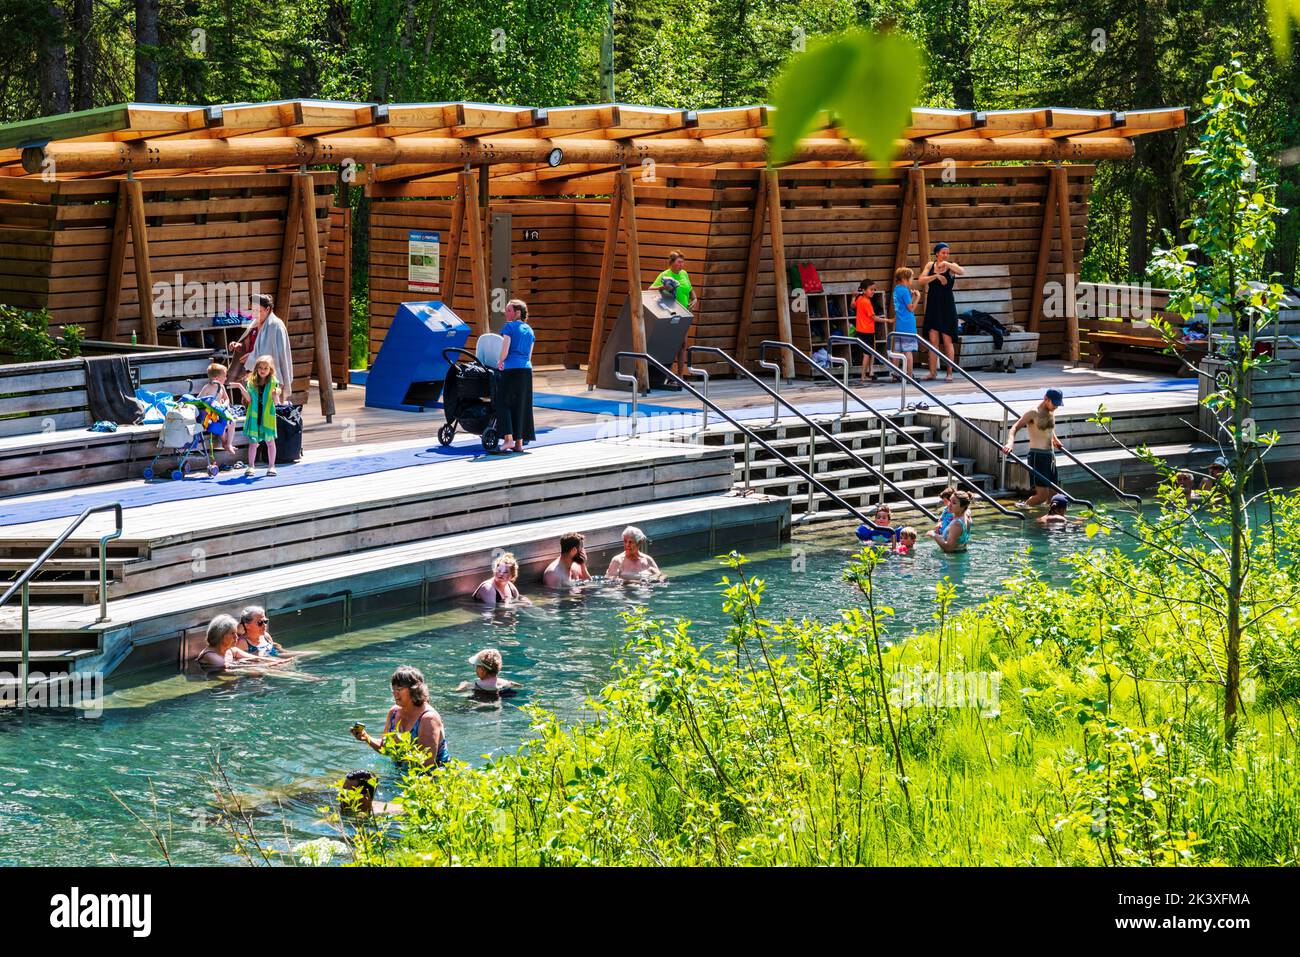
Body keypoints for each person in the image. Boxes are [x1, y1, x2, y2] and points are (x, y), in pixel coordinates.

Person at [350, 666, 449, 768]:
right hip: (400, 773)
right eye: (393, 688)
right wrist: (366, 737)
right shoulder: (394, 712)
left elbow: (426, 764)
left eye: (399, 689)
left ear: (414, 690)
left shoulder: (428, 718)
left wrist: (401, 746)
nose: (394, 692)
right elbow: (385, 748)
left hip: (429, 779)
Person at [1003, 388, 1066, 507]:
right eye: (1055, 404)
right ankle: (1024, 508)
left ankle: (1046, 519)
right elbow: (1015, 427)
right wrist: (1010, 443)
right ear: (1046, 399)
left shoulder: (1051, 411)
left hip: (1050, 456)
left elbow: (1049, 428)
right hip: (1038, 456)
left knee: (1053, 495)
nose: (1056, 407)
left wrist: (1055, 439)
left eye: (1058, 404)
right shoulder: (1033, 413)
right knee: (1042, 496)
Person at [230, 293, 293, 401]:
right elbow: (252, 345)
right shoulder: (255, 324)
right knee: (250, 405)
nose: (254, 314)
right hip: (252, 374)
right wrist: (239, 346)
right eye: (252, 311)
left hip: (269, 377)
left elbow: (275, 355)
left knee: (269, 408)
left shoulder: (276, 326)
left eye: (257, 311)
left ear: (267, 309)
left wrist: (252, 357)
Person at [919, 242, 965, 381]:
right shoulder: (929, 265)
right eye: (943, 252)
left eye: (947, 252)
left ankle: (949, 372)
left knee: (947, 340)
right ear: (937, 253)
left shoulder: (951, 266)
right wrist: (936, 276)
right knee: (933, 340)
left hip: (946, 305)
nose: (945, 254)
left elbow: (962, 271)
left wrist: (947, 264)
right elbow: (921, 280)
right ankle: (932, 372)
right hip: (933, 304)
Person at [497, 299, 536, 453]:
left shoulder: (509, 327)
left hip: (511, 369)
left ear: (517, 313)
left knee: (502, 403)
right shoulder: (530, 330)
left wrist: (500, 361)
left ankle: (508, 440)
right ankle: (519, 443)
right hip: (526, 370)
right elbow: (529, 355)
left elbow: (505, 350)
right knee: (522, 406)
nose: (506, 313)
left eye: (509, 310)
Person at [651, 251, 699, 378]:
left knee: (683, 344)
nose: (682, 265)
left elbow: (689, 289)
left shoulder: (684, 274)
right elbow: (650, 289)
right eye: (679, 262)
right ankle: (667, 375)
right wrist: (662, 288)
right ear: (671, 263)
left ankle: (680, 376)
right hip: (671, 312)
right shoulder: (665, 274)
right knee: (672, 343)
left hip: (685, 312)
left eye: (683, 262)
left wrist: (694, 299)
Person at [193, 613, 280, 674]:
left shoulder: (230, 650)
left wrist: (277, 661)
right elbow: (228, 667)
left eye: (236, 633)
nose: (236, 637)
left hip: (232, 679)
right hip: (220, 686)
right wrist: (267, 665)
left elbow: (255, 658)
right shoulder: (210, 655)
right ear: (221, 636)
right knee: (258, 673)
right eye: (232, 634)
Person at [891, 267, 939, 376]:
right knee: (908, 351)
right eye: (911, 278)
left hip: (899, 324)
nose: (912, 281)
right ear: (904, 279)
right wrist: (917, 297)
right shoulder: (904, 290)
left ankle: (895, 374)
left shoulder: (897, 289)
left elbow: (905, 305)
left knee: (897, 351)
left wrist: (911, 297)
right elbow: (911, 308)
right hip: (908, 324)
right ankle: (910, 374)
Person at [243, 354, 281, 478]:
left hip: (267, 417)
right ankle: (251, 466)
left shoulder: (274, 383)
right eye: (260, 368)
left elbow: (277, 403)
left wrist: (276, 395)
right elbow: (249, 400)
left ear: (270, 370)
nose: (263, 370)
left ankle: (271, 466)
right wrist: (240, 387)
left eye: (266, 368)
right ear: (256, 369)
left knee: (270, 442)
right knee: (253, 443)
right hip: (254, 416)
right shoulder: (251, 383)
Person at [195, 361, 237, 455]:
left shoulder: (221, 387)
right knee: (218, 425)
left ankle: (228, 443)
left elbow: (227, 399)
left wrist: (224, 405)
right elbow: (199, 400)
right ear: (216, 378)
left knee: (232, 422)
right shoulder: (207, 388)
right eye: (224, 376)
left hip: (220, 410)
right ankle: (224, 443)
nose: (226, 378)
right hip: (211, 414)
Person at [854, 279, 881, 381]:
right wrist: (888, 320)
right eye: (871, 289)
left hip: (860, 330)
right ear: (864, 290)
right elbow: (873, 317)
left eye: (874, 289)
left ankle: (870, 372)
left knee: (869, 352)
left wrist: (853, 298)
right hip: (868, 331)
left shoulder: (859, 298)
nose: (873, 291)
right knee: (867, 354)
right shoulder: (866, 302)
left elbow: (853, 306)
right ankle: (863, 376)